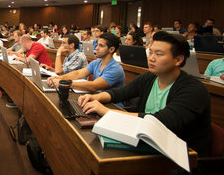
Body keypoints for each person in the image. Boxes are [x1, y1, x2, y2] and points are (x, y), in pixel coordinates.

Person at [78, 31, 212, 157]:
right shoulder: (150, 77)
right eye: (151, 52)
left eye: (159, 54)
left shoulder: (193, 90)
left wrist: (106, 111)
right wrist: (95, 97)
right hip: (148, 141)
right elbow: (121, 92)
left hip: (180, 156)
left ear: (178, 60)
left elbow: (159, 121)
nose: (151, 58)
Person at [47, 33, 124, 92]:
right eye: (97, 45)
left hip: (112, 106)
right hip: (97, 100)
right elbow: (78, 73)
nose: (96, 48)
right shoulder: (96, 63)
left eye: (101, 46)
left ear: (111, 49)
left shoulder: (115, 69)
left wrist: (64, 83)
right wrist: (58, 78)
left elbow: (94, 86)